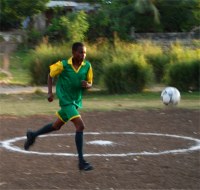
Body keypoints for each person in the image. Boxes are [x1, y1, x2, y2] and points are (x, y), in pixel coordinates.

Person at [24, 42, 93, 171]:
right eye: (80, 52)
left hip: (75, 101)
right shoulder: (64, 65)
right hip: (65, 101)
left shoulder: (87, 66)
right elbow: (50, 74)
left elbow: (90, 83)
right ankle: (81, 162)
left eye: (84, 52)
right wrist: (50, 92)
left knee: (56, 126)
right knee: (80, 126)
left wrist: (87, 85)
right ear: (73, 53)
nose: (83, 55)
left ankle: (33, 135)